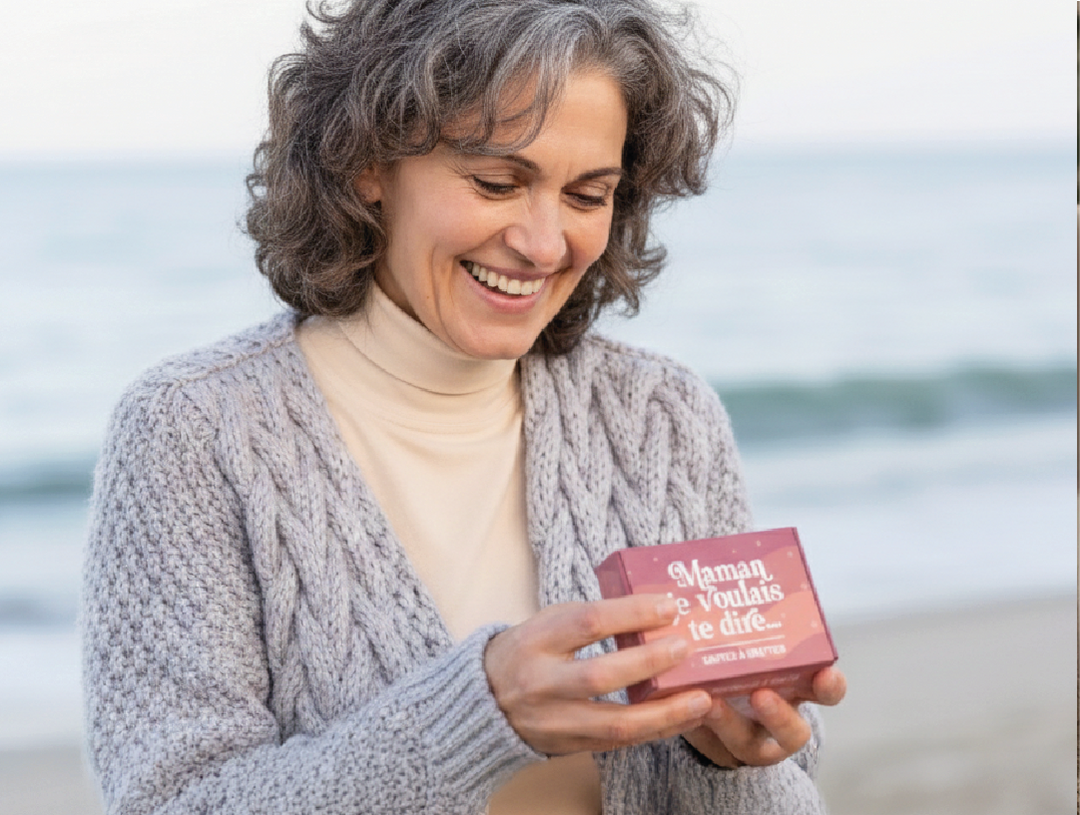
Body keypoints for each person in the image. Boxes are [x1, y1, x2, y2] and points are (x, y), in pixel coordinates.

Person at [82, 0, 846, 812]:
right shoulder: (192, 429)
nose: (544, 244)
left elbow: (786, 786)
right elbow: (172, 801)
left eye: (588, 195)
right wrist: (478, 715)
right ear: (367, 164)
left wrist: (729, 760)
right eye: (496, 183)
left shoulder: (666, 414)